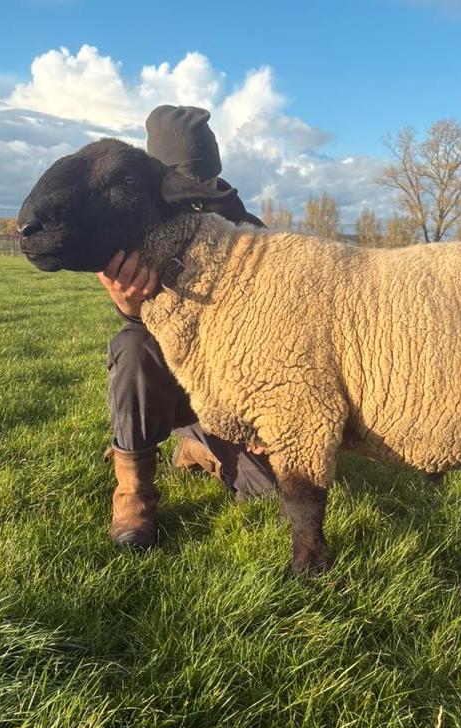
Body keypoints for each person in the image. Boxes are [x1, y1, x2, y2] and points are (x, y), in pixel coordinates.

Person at [97, 105, 277, 550]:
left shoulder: (252, 234)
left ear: (217, 173)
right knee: (132, 345)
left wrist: (265, 417)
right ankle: (133, 495)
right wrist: (127, 306)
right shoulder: (133, 230)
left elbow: (273, 337)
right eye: (179, 181)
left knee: (266, 492)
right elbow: (135, 321)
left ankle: (199, 441)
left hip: (232, 387)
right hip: (170, 379)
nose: (193, 193)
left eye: (204, 181)